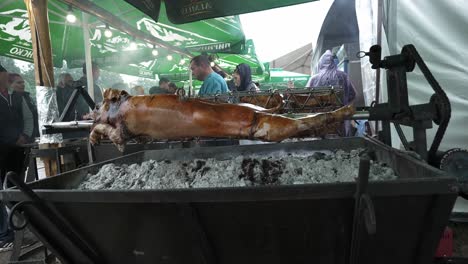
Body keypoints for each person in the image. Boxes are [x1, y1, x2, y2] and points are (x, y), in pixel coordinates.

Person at [0, 63, 25, 247]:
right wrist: (12, 138)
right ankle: (4, 235)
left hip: (11, 151)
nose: (7, 79)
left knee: (10, 186)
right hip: (3, 148)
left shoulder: (9, 97)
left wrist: (21, 136)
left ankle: (13, 228)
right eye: (4, 75)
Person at [306, 50, 357, 136]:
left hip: (319, 120)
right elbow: (353, 95)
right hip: (340, 118)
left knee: (321, 142)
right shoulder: (343, 76)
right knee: (341, 144)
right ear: (334, 62)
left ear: (320, 63)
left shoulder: (313, 79)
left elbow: (305, 99)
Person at [9, 73, 39, 143]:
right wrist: (25, 135)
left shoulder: (26, 97)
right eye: (19, 83)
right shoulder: (10, 99)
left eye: (23, 82)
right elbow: (28, 118)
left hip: (30, 137)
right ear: (10, 84)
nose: (23, 84)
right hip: (20, 139)